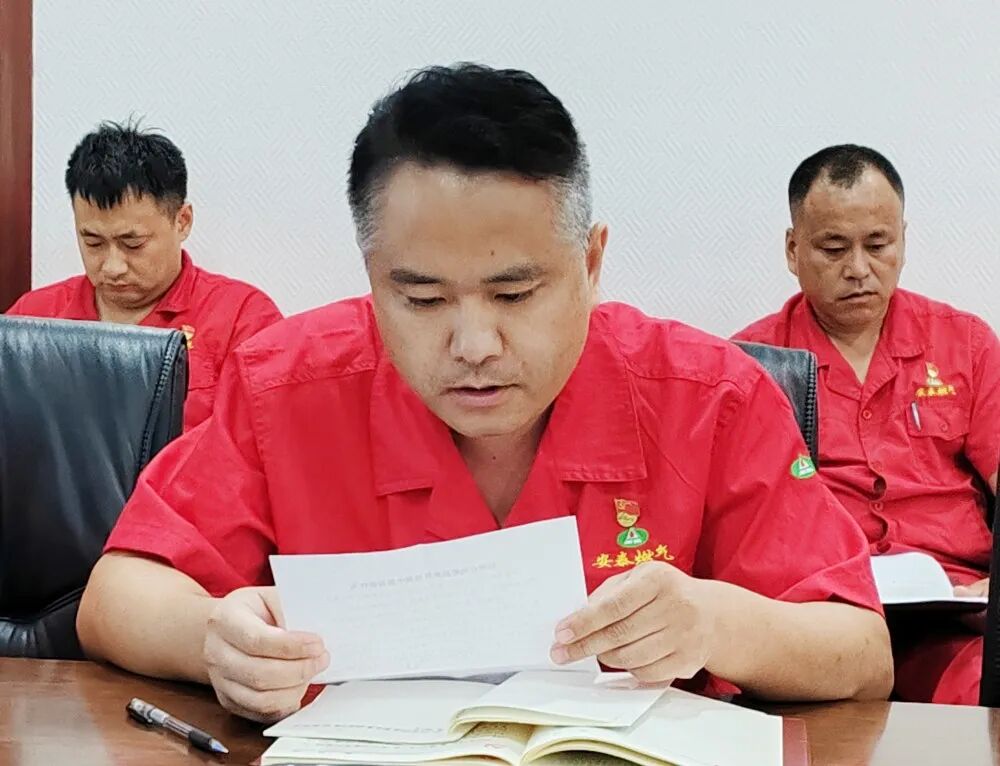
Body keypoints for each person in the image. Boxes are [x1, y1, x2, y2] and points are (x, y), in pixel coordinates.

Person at [77, 65, 892, 722]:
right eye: (422, 298)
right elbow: (116, 596)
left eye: (514, 293)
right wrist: (212, 639)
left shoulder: (709, 396)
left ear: (591, 264)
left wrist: (718, 624)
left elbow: (860, 653)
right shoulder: (288, 386)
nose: (473, 345)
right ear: (373, 276)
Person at [734, 144, 1000, 705]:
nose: (858, 269)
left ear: (903, 240)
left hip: (955, 613)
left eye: (878, 245)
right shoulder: (751, 364)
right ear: (793, 249)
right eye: (834, 248)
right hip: (820, 620)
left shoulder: (966, 344)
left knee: (981, 693)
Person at [7, 122, 283, 431]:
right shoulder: (33, 319)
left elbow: (263, 440)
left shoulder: (241, 319)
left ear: (182, 221)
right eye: (93, 243)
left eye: (133, 244)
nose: (113, 267)